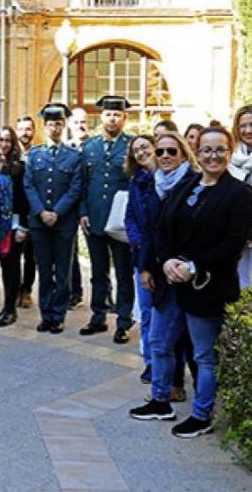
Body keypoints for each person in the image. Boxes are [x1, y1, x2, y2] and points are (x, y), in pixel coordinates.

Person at [130, 126, 252, 438]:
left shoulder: (239, 194)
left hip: (207, 285)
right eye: (207, 150)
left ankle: (201, 415)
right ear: (197, 154)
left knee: (203, 355)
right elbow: (162, 228)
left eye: (220, 150)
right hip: (172, 281)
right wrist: (168, 260)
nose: (213, 155)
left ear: (228, 152)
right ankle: (160, 401)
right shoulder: (187, 186)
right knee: (159, 343)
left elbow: (233, 242)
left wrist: (193, 265)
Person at [136, 132, 199, 401]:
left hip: (190, 270)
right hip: (162, 269)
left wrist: (188, 264)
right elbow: (150, 231)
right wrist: (146, 267)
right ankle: (172, 387)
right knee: (166, 336)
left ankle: (202, 396)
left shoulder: (194, 183)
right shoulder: (154, 184)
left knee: (192, 338)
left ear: (183, 154)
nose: (165, 157)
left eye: (171, 151)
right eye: (159, 152)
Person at [78, 95, 135, 344]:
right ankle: (98, 315)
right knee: (98, 271)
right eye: (108, 114)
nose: (112, 119)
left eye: (117, 115)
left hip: (121, 221)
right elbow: (82, 183)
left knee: (123, 272)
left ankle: (123, 320)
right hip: (95, 218)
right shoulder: (89, 147)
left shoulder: (132, 146)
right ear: (101, 117)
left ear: (124, 118)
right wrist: (83, 212)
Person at [24, 104, 83, 334]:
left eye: (59, 124)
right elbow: (29, 186)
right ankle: (45, 314)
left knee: (63, 271)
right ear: (45, 126)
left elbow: (75, 188)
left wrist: (57, 212)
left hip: (64, 223)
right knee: (45, 271)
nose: (55, 128)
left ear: (64, 125)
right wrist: (42, 212)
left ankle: (58, 315)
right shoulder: (34, 155)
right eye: (51, 124)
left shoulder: (74, 156)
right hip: (40, 223)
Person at [123, 135, 157, 383]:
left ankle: (170, 366)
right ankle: (151, 363)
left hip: (165, 257)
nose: (142, 152)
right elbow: (130, 217)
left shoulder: (170, 179)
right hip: (141, 256)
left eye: (145, 146)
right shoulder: (135, 181)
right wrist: (139, 241)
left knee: (164, 314)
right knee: (146, 313)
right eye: (136, 150)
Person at [0, 126, 28, 326]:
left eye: (7, 140)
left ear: (13, 144)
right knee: (4, 266)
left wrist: (23, 227)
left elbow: (24, 199)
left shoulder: (20, 168)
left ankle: (11, 310)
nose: (4, 144)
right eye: (0, 140)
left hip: (14, 225)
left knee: (12, 266)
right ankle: (5, 306)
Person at [65, 107, 89, 308]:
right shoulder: (65, 148)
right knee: (70, 253)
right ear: (69, 125)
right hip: (70, 207)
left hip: (90, 207)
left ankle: (105, 296)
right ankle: (75, 292)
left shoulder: (94, 147)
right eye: (76, 122)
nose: (80, 126)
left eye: (83, 122)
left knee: (98, 255)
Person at [229, 105, 252, 288]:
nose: (248, 130)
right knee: (241, 281)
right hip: (238, 229)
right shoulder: (231, 157)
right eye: (243, 126)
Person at [15, 116, 37, 309]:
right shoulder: (10, 155)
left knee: (31, 256)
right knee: (13, 254)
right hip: (14, 212)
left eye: (28, 129)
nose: (25, 133)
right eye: (21, 129)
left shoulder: (39, 154)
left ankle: (26, 290)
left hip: (33, 211)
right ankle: (13, 290)